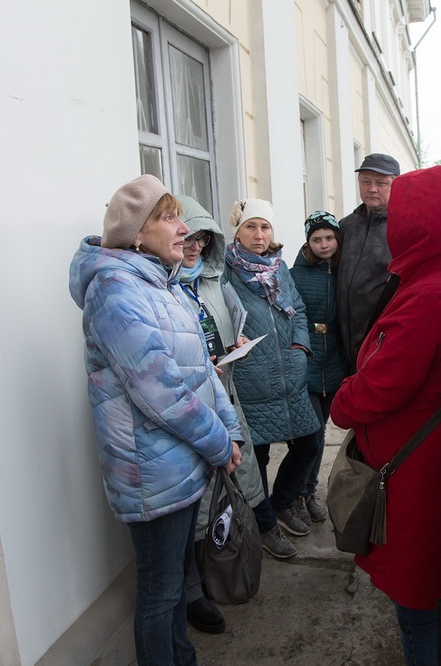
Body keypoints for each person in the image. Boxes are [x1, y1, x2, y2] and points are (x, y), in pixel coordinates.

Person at [68, 175, 243, 665]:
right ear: (136, 233)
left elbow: (202, 372)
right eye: (169, 217)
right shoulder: (115, 291)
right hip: (151, 472)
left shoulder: (164, 285)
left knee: (172, 590)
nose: (183, 227)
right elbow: (161, 390)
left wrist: (227, 429)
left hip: (180, 465)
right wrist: (217, 444)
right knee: (160, 593)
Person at [330, 165, 441, 666]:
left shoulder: (433, 293)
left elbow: (375, 391)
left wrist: (342, 395)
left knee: (423, 608)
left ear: (424, 219)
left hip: (421, 479)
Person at [175, 195, 268, 634]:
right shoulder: (162, 287)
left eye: (202, 239)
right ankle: (195, 590)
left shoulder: (214, 281)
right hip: (188, 409)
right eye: (187, 237)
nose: (194, 246)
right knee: (192, 507)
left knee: (225, 492)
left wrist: (235, 350)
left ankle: (222, 568)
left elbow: (228, 326)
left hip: (224, 398)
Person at [222, 198, 320, 557]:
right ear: (238, 231)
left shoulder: (279, 269)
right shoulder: (225, 272)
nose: (259, 235)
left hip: (289, 374)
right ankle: (265, 525)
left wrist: (300, 347)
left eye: (265, 227)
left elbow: (298, 310)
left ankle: (282, 501)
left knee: (309, 443)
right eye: (251, 227)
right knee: (255, 458)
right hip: (251, 379)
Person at [289, 210, 351, 525]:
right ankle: (296, 494)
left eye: (329, 238)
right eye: (317, 239)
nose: (324, 245)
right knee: (309, 434)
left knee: (321, 431)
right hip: (308, 360)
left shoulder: (345, 271)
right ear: (308, 242)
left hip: (334, 362)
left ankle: (309, 492)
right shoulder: (294, 275)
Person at [336, 152, 400, 366]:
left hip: (383, 343)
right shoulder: (345, 226)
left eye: (381, 183)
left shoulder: (402, 228)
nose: (372, 188)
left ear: (396, 185)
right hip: (343, 345)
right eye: (366, 182)